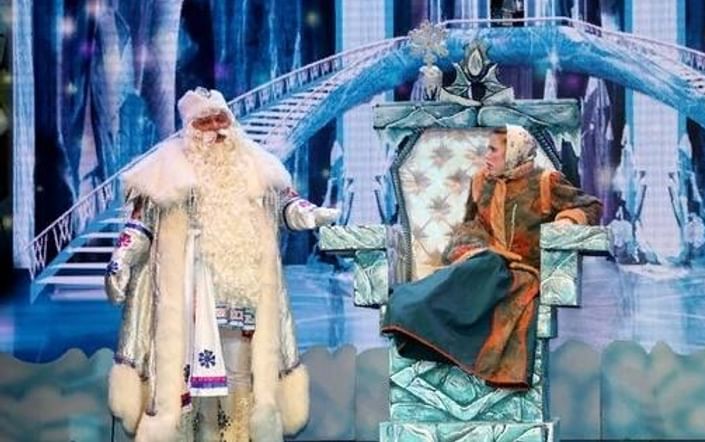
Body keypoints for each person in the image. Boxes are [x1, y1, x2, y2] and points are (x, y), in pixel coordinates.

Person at [104, 87, 339, 441]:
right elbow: (139, 226)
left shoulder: (255, 164)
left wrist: (312, 215)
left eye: (221, 119)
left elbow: (288, 205)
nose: (215, 128)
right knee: (181, 380)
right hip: (187, 294)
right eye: (205, 121)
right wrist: (121, 260)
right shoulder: (164, 169)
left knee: (239, 377)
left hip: (239, 295)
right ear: (190, 128)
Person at [381, 125, 602, 389]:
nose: (487, 155)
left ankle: (410, 304)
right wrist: (475, 246)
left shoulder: (546, 182)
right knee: (478, 267)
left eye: (494, 150)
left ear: (513, 153)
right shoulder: (481, 183)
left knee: (486, 267)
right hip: (487, 260)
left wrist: (567, 220)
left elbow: (590, 205)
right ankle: (408, 307)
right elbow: (471, 224)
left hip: (521, 272)